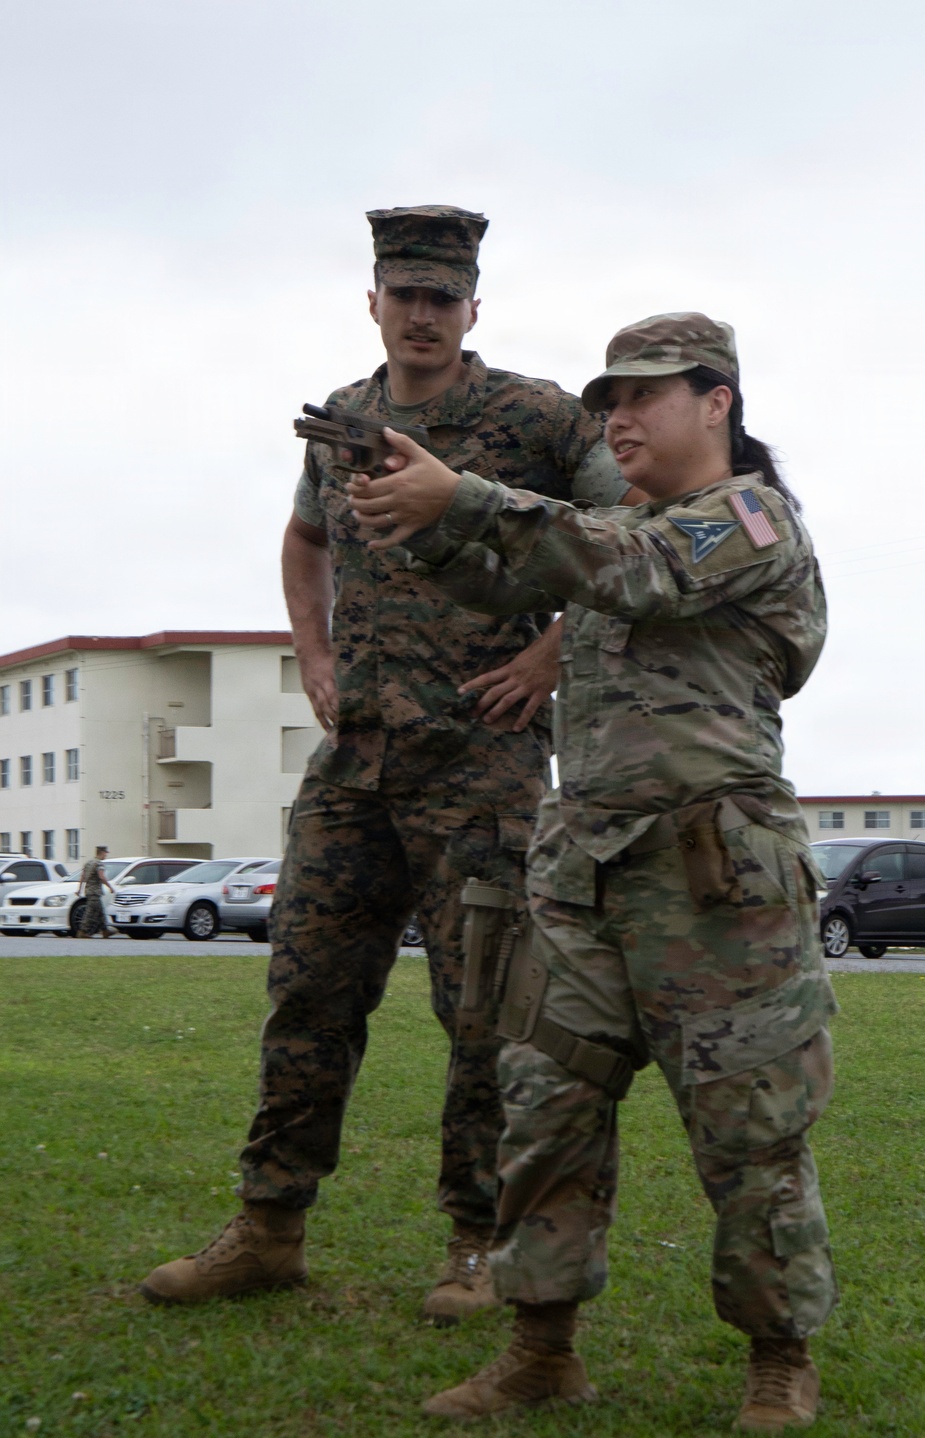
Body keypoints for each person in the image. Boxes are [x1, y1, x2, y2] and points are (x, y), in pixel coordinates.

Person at [140, 205, 642, 1319]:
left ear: (473, 307)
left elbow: (628, 533)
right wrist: (312, 655)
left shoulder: (535, 417)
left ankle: (475, 1243)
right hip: (355, 761)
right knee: (307, 991)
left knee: (483, 1012)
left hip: (483, 760)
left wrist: (553, 658)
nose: (422, 313)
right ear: (372, 300)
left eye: (443, 297)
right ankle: (270, 1227)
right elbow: (306, 535)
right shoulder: (344, 420)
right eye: (403, 294)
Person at [346, 312, 839, 1431]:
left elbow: (634, 572)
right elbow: (512, 576)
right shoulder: (607, 526)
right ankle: (539, 1347)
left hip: (715, 880)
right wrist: (418, 518)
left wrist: (462, 495)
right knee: (546, 1108)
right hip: (584, 872)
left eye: (644, 395)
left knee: (748, 1125)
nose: (616, 417)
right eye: (606, 400)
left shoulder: (750, 521)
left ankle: (778, 1350)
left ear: (716, 401)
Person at [75, 846, 113, 938]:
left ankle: (105, 930)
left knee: (100, 912)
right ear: (101, 852)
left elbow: (82, 877)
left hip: (89, 891)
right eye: (105, 853)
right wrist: (110, 887)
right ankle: (83, 931)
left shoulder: (88, 863)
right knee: (90, 912)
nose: (106, 855)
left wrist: (79, 889)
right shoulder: (98, 864)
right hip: (95, 892)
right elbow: (101, 877)